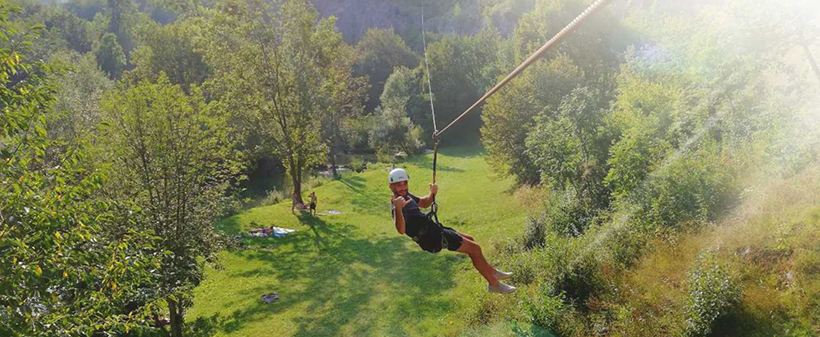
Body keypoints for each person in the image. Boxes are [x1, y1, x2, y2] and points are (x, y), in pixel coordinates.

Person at [388, 168, 516, 293]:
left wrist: (432, 193)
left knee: (470, 239)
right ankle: (494, 284)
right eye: (398, 185)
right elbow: (401, 230)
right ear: (391, 187)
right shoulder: (397, 205)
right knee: (474, 249)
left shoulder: (407, 196)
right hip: (431, 237)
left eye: (405, 183)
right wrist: (398, 209)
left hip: (434, 229)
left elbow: (424, 203)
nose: (403, 187)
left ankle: (492, 272)